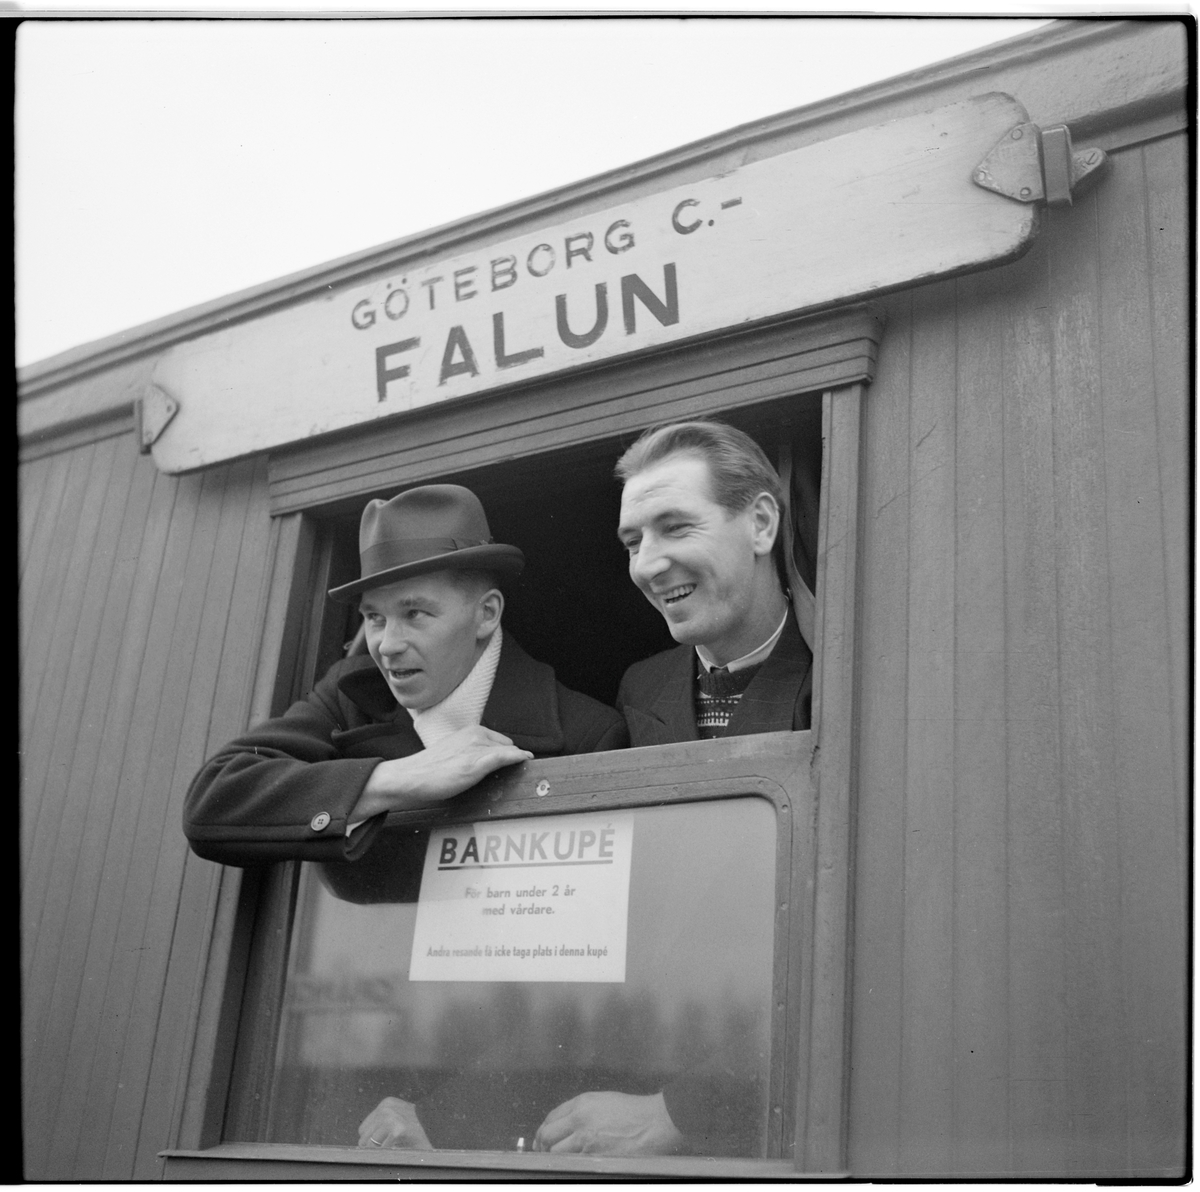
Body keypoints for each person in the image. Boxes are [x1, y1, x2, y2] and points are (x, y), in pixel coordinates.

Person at [184, 484, 628, 1151]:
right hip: (351, 1059)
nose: (387, 645)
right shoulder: (352, 693)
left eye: (415, 614)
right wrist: (397, 780)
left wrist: (443, 1116)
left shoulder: (588, 734)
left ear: (486, 615)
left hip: (500, 1101)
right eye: (374, 617)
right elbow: (213, 800)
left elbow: (577, 991)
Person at [531, 420, 812, 1157]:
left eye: (675, 526)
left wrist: (686, 1111)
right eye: (633, 541)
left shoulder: (842, 672)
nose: (649, 564)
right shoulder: (642, 686)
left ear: (761, 523)